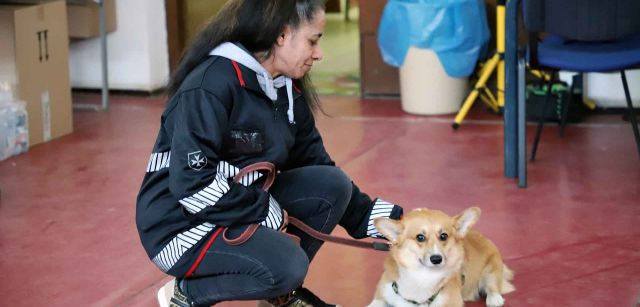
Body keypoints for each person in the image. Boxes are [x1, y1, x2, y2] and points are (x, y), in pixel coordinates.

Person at [135, 0, 404, 306]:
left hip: (234, 206)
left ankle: (279, 295)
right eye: (312, 40)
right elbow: (191, 186)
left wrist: (389, 222)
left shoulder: (285, 88)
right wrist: (262, 210)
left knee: (331, 185)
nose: (318, 53)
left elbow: (315, 163)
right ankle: (186, 294)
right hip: (180, 226)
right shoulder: (210, 86)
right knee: (288, 265)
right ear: (282, 35)